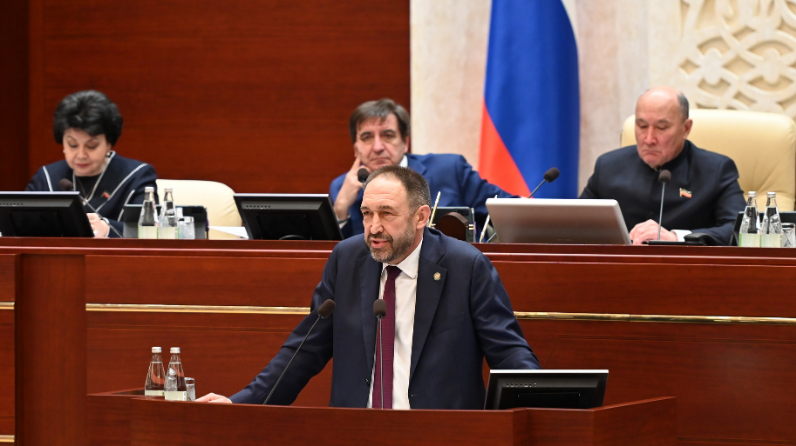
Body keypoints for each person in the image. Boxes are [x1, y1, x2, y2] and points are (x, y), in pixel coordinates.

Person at [198, 165, 540, 409]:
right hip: (358, 432)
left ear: (421, 217)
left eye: (387, 213)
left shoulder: (466, 266)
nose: (374, 227)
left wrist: (543, 400)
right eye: (366, 213)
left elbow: (508, 352)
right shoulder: (347, 259)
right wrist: (241, 403)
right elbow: (304, 350)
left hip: (442, 433)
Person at [580, 86, 745, 245]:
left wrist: (677, 238)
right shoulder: (608, 166)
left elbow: (740, 229)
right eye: (642, 126)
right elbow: (577, 222)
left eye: (661, 128)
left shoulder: (715, 170)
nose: (649, 139)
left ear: (686, 128)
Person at [331, 98, 514, 238]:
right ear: (356, 149)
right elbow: (341, 259)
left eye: (388, 135)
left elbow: (512, 212)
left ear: (405, 142)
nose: (378, 147)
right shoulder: (341, 189)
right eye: (367, 137)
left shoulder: (450, 170)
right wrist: (340, 210)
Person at [26, 90, 157, 238]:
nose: (81, 155)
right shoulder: (46, 177)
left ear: (109, 143)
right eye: (72, 145)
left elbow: (149, 233)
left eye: (91, 146)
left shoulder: (137, 176)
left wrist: (107, 229)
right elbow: (20, 227)